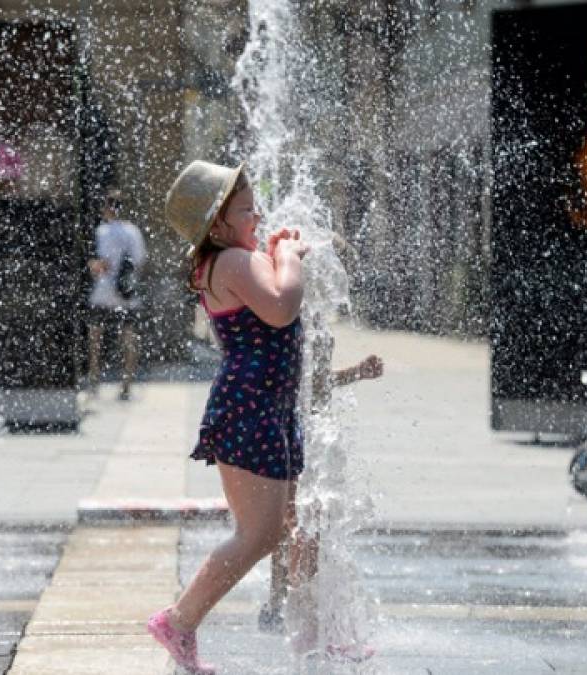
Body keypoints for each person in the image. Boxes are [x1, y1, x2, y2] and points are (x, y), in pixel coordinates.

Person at [148, 160, 308, 674]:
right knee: (258, 534)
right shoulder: (233, 262)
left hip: (265, 405)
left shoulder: (233, 260)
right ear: (217, 224)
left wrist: (273, 254)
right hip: (253, 406)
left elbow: (268, 289)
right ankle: (180, 619)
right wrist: (288, 256)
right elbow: (282, 306)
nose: (257, 213)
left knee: (294, 523)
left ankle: (320, 633)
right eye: (246, 209)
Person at [258, 346, 383, 635]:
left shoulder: (299, 316)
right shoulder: (288, 312)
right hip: (289, 432)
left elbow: (312, 381)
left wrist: (354, 373)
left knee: (301, 522)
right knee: (293, 522)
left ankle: (287, 602)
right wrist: (355, 373)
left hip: (303, 433)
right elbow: (302, 382)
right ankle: (285, 602)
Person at [87, 189, 147, 400]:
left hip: (103, 292)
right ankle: (126, 384)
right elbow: (139, 262)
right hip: (127, 294)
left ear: (108, 207)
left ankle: (94, 382)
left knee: (96, 337)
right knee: (129, 338)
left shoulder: (102, 231)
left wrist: (98, 266)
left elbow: (99, 264)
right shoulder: (133, 231)